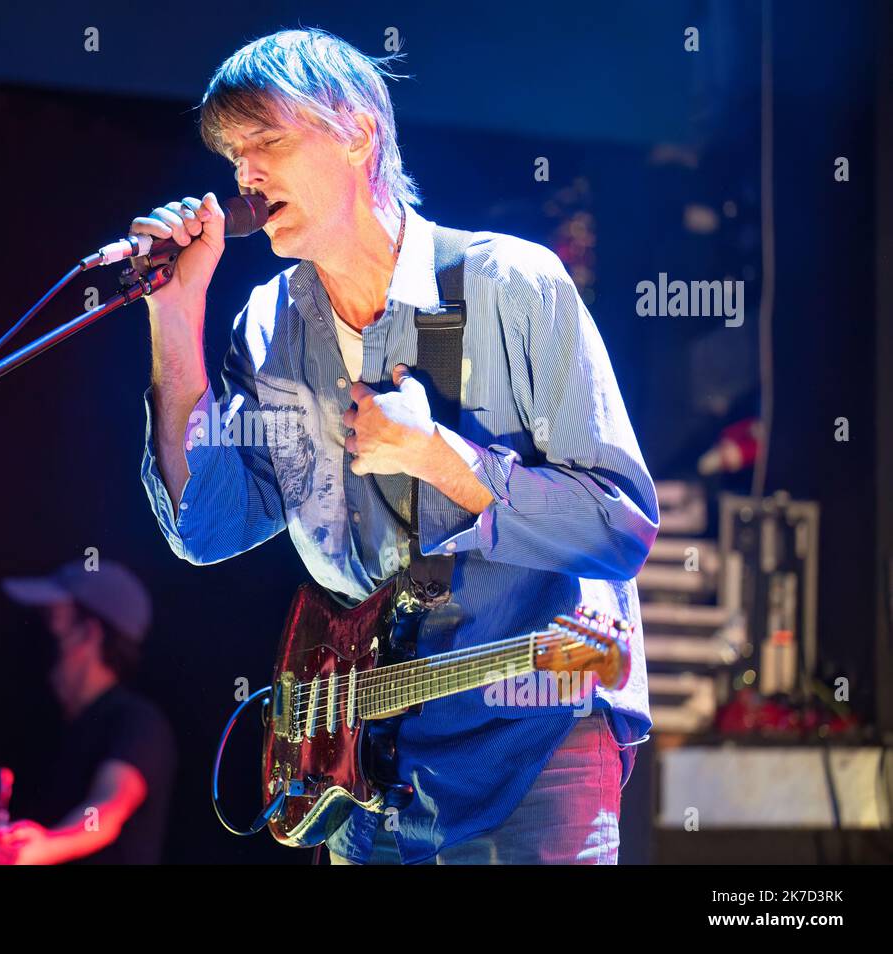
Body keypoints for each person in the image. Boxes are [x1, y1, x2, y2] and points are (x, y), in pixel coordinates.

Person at [135, 28, 659, 864]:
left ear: (357, 132)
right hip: (366, 767)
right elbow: (204, 528)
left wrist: (441, 458)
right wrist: (176, 315)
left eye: (266, 141)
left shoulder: (510, 285)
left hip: (538, 735)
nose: (245, 174)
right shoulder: (268, 325)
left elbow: (621, 526)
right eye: (234, 153)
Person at [0, 560, 175, 864]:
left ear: (89, 632)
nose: (39, 631)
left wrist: (45, 846)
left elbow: (108, 808)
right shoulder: (47, 729)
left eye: (51, 619)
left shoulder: (137, 722)